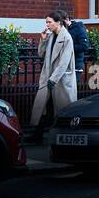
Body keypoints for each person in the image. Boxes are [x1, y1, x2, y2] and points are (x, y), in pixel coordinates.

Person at [28, 10, 78, 142]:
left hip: (60, 80)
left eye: (49, 22)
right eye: (46, 22)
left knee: (58, 109)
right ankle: (37, 135)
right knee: (43, 107)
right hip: (48, 77)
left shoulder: (67, 38)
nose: (47, 25)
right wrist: (43, 40)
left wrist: (54, 79)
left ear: (58, 22)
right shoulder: (50, 37)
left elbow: (64, 62)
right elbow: (41, 54)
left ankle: (58, 137)